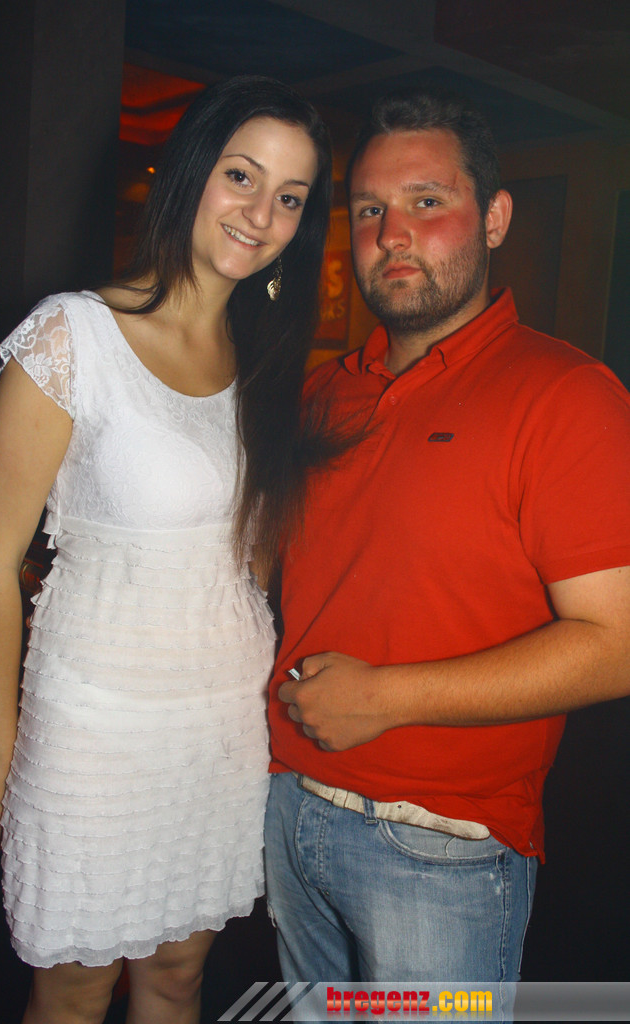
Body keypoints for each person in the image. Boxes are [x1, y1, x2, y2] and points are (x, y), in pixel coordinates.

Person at [0, 75, 332, 1024]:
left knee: (177, 977)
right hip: (96, 724)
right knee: (75, 987)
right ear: (193, 170)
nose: (261, 214)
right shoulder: (74, 334)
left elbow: (251, 562)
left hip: (219, 727)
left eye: (290, 197)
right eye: (242, 176)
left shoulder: (268, 360)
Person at [265, 89, 630, 990]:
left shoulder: (568, 396)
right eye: (369, 210)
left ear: (494, 218)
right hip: (285, 805)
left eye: (427, 201)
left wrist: (386, 697)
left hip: (440, 845)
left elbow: (618, 643)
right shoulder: (321, 394)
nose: (393, 233)